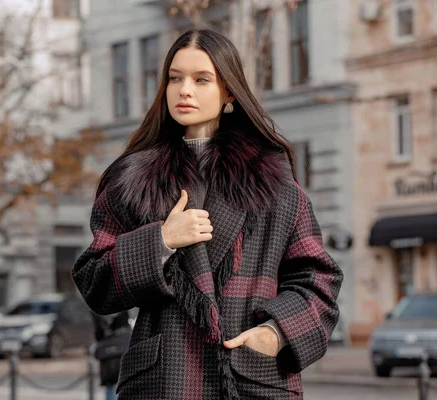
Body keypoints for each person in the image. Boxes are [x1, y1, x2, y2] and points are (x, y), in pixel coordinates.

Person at [73, 29, 343, 400]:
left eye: (202, 80)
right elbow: (94, 280)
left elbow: (319, 280)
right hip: (164, 379)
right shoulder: (132, 180)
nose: (185, 90)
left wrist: (275, 333)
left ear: (229, 91)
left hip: (250, 378)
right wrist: (161, 242)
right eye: (175, 78)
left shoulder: (274, 186)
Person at [92, 311, 131, 400]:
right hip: (123, 348)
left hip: (108, 353)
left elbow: (98, 332)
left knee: (111, 386)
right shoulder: (123, 301)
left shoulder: (98, 304)